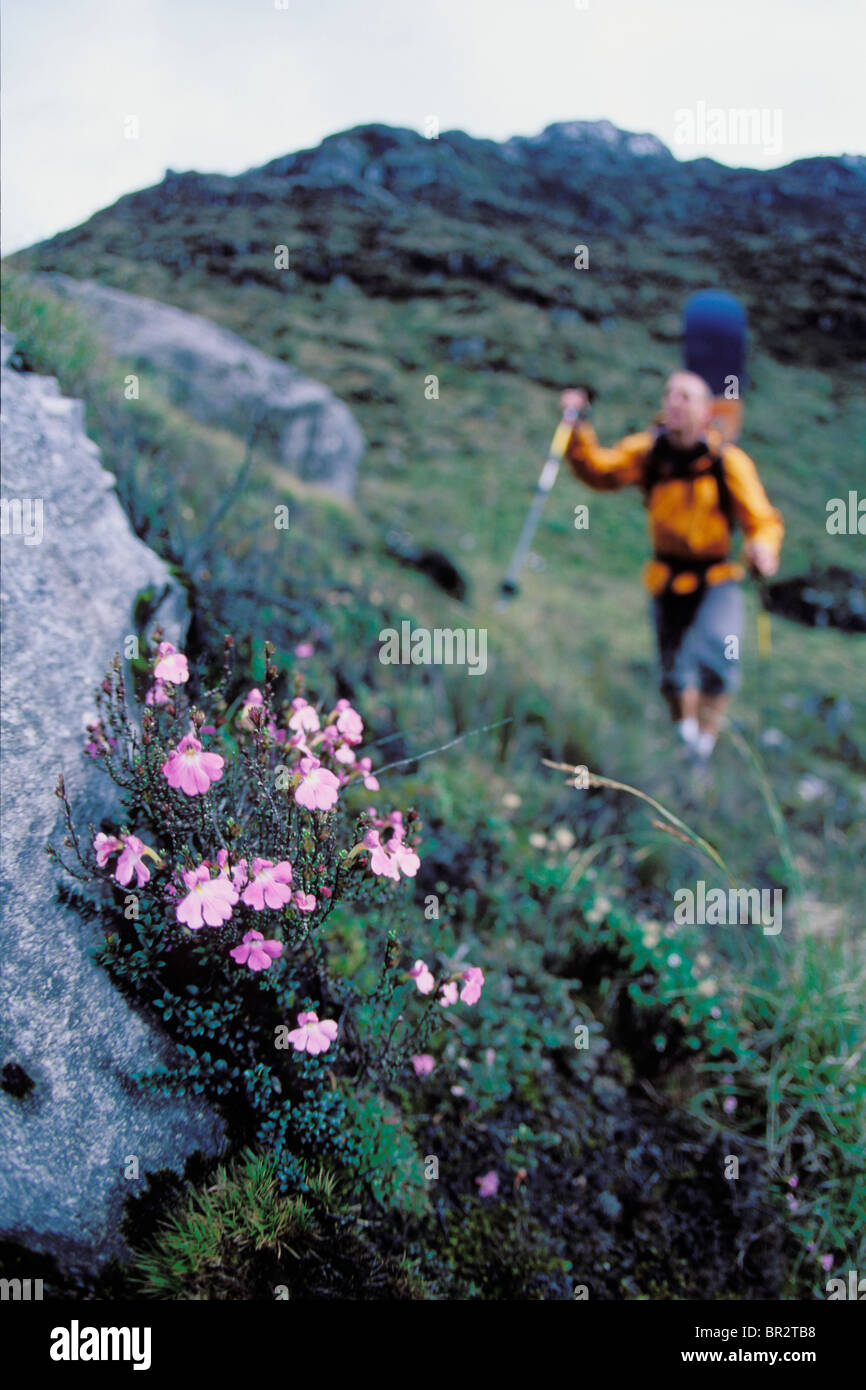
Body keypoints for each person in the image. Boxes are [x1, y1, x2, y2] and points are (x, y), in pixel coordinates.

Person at [561, 372, 783, 760]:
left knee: (721, 659)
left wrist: (763, 548)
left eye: (686, 397)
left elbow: (761, 519)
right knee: (673, 672)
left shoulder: (727, 462)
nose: (674, 403)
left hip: (716, 577)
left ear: (706, 410)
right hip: (666, 576)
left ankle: (705, 744)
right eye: (669, 395)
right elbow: (600, 471)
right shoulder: (648, 452)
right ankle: (685, 737)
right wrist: (577, 426)